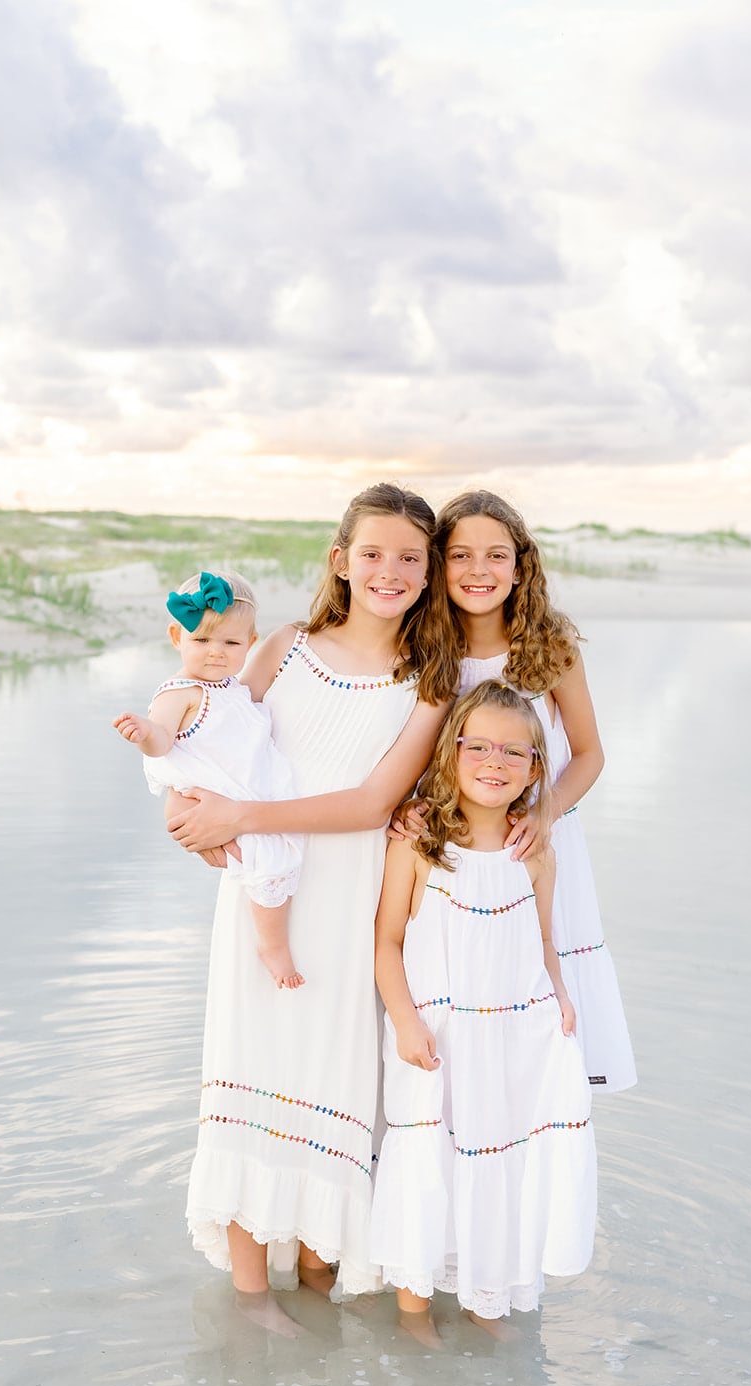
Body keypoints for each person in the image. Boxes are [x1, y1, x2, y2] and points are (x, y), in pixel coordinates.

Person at [165, 485, 461, 1336]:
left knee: (337, 1082)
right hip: (265, 896)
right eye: (371, 552)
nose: (390, 571)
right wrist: (184, 811)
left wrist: (241, 817)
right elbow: (210, 739)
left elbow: (373, 802)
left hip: (348, 900)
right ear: (340, 559)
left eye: (411, 557)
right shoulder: (285, 648)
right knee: (252, 1065)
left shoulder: (427, 681)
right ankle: (255, 1299)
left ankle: (320, 1277)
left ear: (428, 570)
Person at [370, 680, 598, 1342]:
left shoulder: (534, 853)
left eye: (514, 752)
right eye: (479, 748)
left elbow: (543, 943)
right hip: (435, 1037)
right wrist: (405, 1020)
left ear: (534, 769)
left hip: (510, 1037)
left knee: (499, 1163)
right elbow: (386, 940)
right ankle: (413, 1312)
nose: (494, 763)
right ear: (450, 752)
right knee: (425, 1161)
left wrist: (559, 1003)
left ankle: (484, 1298)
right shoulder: (418, 842)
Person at [438, 489, 637, 1095]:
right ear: (438, 562)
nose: (479, 570)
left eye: (496, 555)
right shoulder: (424, 649)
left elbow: (589, 753)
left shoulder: (548, 649)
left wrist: (545, 813)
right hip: (452, 850)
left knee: (544, 1005)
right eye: (460, 554)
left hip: (539, 844)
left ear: (521, 565)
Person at [113, 569, 305, 988]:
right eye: (201, 640)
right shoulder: (179, 692)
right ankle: (272, 945)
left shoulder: (232, 687)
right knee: (267, 861)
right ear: (176, 637)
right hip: (220, 790)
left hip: (252, 786)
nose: (215, 653)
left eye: (231, 643)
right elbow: (163, 739)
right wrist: (145, 733)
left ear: (250, 645)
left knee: (277, 851)